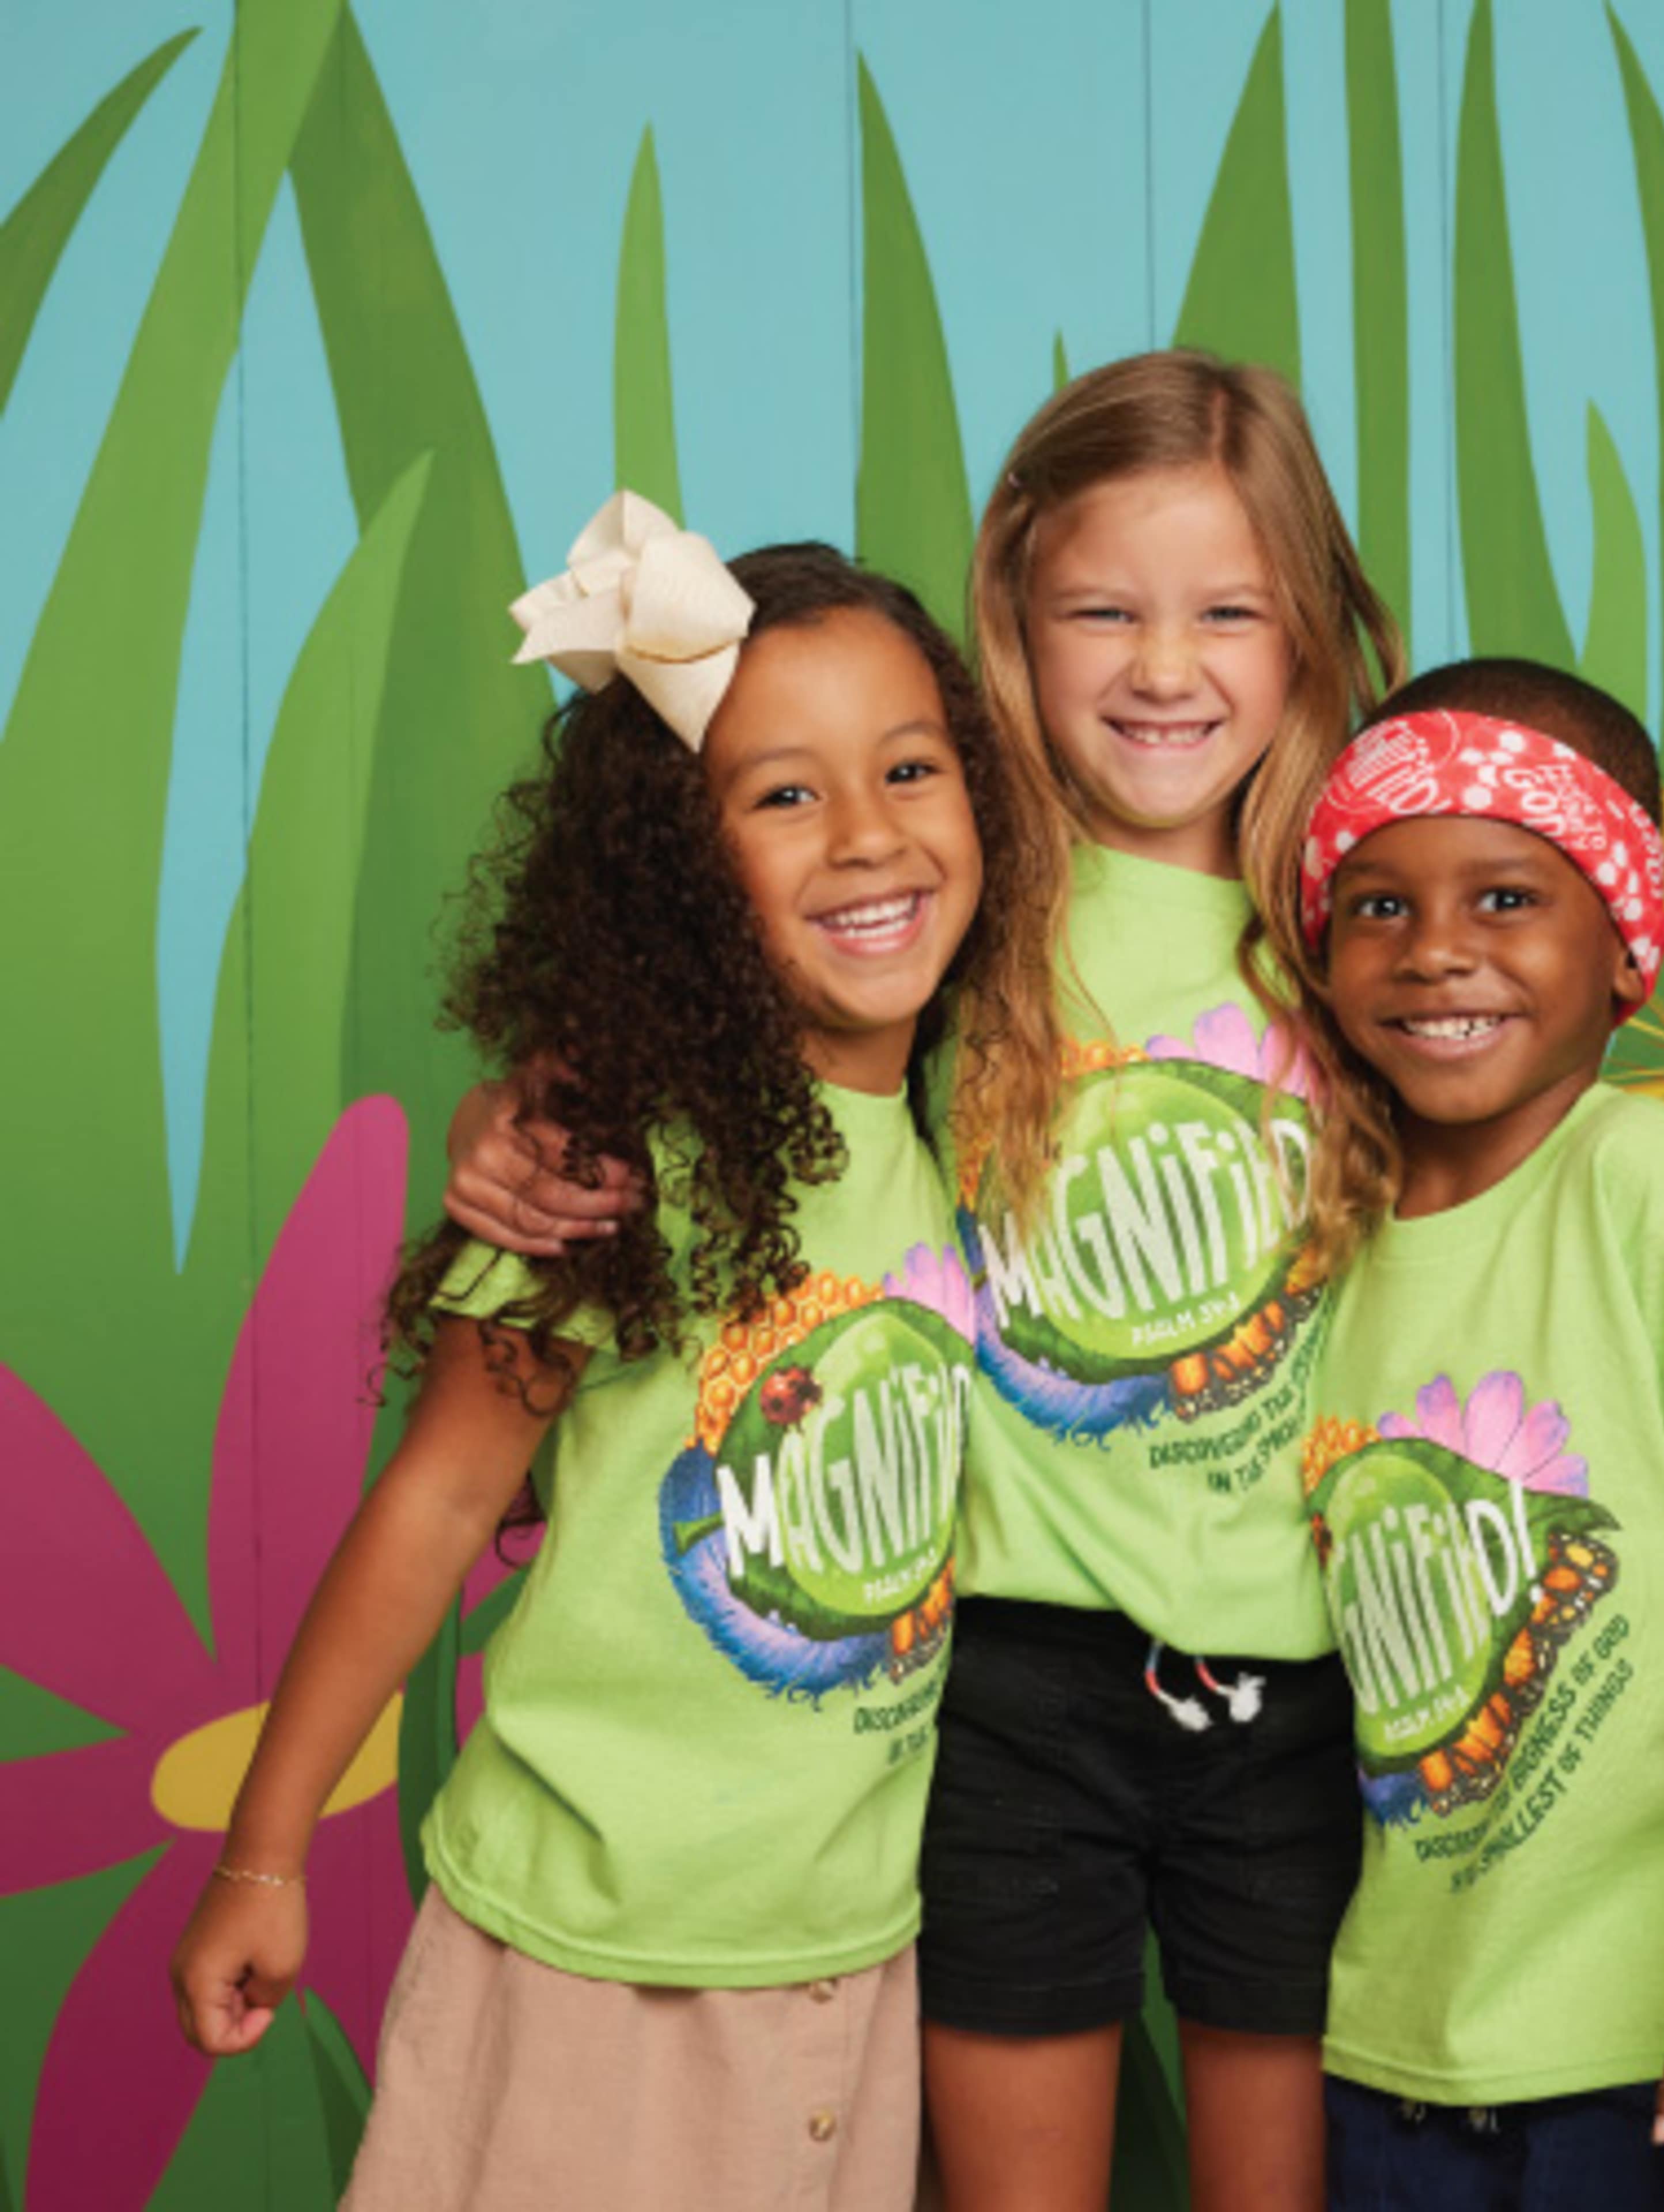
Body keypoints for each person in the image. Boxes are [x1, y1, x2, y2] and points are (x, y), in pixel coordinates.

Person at [439, 354, 1664, 2212]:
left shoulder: (1344, 918)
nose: (1164, 667)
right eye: (1105, 609)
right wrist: (528, 1106)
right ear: (1015, 613)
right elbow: (743, 1020)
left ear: (1304, 637)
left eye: (1227, 613)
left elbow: (1529, 1143)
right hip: (1013, 1695)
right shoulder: (967, 897)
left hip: (1300, 1698)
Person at [168, 507, 1061, 2212]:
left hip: (852, 1949)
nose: (868, 839)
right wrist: (264, 1855)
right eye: (786, 795)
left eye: (912, 770)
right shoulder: (607, 1157)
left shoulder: (977, 1121)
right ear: (678, 864)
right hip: (593, 1950)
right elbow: (435, 1505)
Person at [1284, 657, 1664, 2212]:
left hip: (1653, 2037)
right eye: (1380, 906)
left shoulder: (1653, 1186)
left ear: (1626, 951)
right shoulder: (1325, 1238)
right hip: (1397, 2042)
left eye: (1508, 899)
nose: (1437, 951)